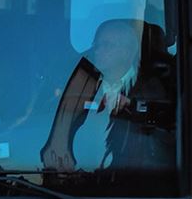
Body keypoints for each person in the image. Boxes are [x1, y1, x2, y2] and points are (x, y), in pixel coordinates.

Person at [41, 18, 169, 174]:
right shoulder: (82, 86)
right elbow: (47, 120)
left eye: (107, 45)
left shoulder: (151, 89)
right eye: (97, 45)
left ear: (128, 52)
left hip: (132, 179)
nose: (97, 51)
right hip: (79, 174)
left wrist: (132, 107)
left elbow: (163, 130)